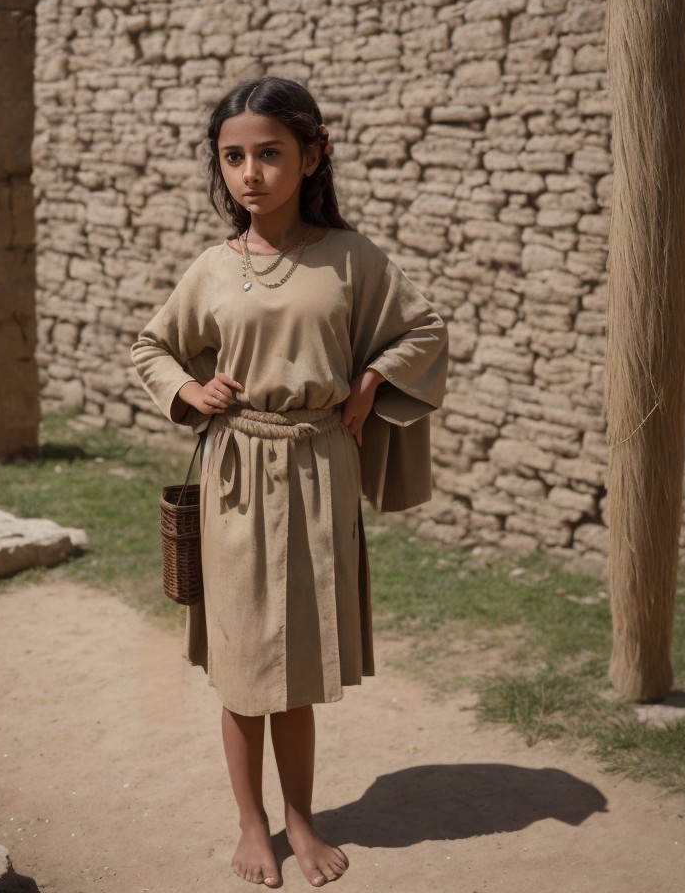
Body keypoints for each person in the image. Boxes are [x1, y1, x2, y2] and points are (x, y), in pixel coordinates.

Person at [131, 77, 448, 888]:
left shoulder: (352, 258)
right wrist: (188, 392)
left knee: (296, 667)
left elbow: (422, 329)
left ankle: (303, 820)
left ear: (312, 155)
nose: (251, 173)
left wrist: (372, 379)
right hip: (236, 477)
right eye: (233, 157)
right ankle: (252, 824)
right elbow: (151, 347)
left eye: (269, 154)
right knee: (242, 668)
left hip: (316, 474)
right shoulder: (211, 268)